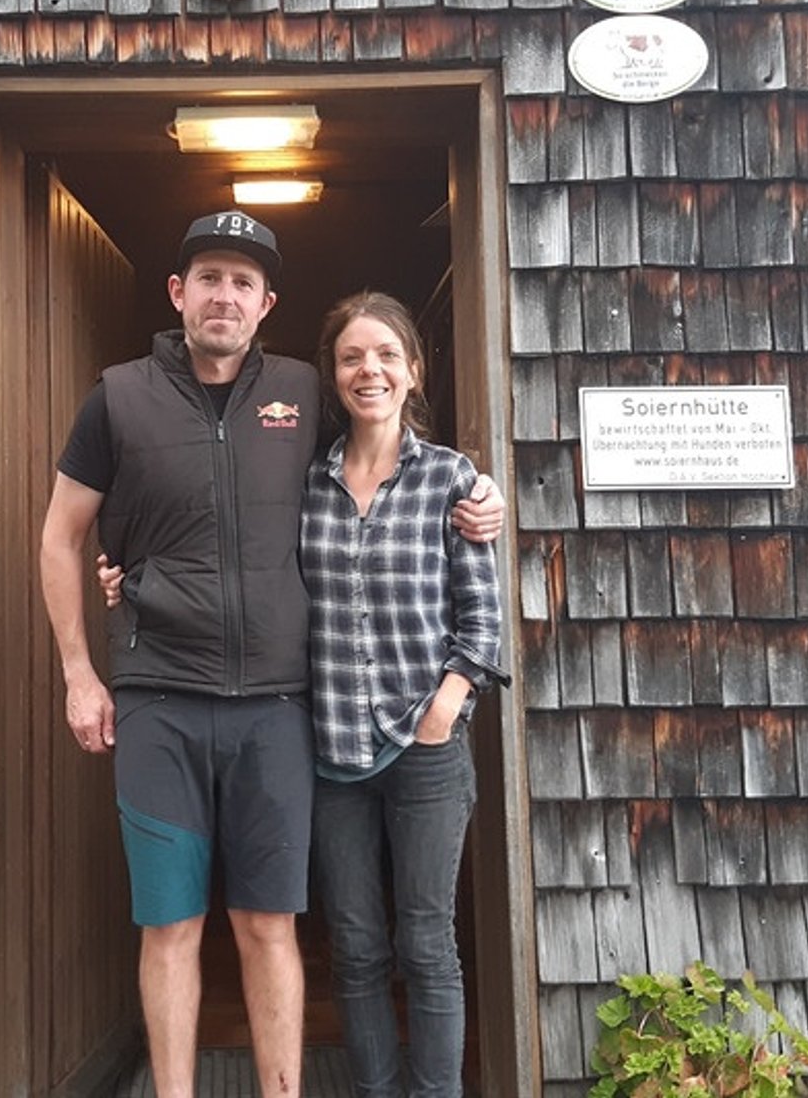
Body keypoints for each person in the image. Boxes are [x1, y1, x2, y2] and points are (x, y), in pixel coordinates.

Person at [39, 212, 502, 1098]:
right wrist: (79, 672)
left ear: (267, 304)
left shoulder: (303, 391)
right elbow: (61, 537)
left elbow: (386, 431)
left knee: (270, 923)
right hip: (158, 701)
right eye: (208, 276)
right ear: (178, 293)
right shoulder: (117, 396)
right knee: (171, 923)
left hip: (282, 708)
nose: (225, 295)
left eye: (243, 282)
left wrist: (483, 491)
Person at [301, 290, 507, 1098]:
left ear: (414, 371)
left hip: (427, 747)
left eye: (385, 355)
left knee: (427, 943)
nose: (369, 370)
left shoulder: (453, 479)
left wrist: (447, 701)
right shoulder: (306, 483)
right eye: (352, 357)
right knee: (354, 946)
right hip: (331, 751)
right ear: (334, 374)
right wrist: (127, 577)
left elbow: (482, 618)